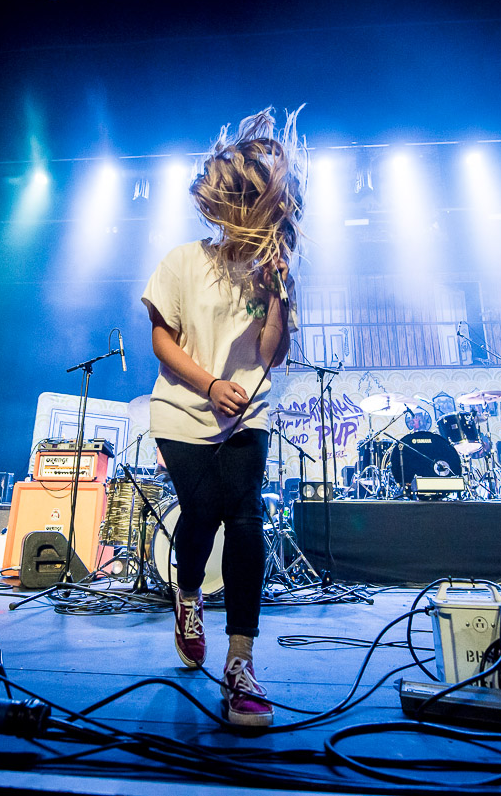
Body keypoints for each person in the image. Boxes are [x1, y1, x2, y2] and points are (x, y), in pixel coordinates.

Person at [141, 106, 304, 727]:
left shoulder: (271, 271)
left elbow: (271, 354)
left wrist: (279, 295)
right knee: (202, 511)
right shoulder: (183, 260)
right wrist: (209, 384)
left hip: (248, 413)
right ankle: (187, 594)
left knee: (245, 515)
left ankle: (241, 663)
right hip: (182, 410)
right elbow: (162, 339)